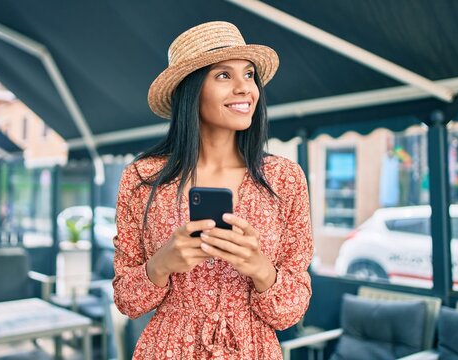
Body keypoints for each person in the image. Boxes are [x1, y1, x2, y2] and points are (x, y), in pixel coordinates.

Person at [113, 21, 313, 359]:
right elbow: (126, 302)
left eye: (249, 75)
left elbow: (291, 313)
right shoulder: (143, 179)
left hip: (253, 350)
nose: (244, 88)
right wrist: (161, 264)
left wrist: (259, 267)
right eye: (223, 76)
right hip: (167, 349)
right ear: (190, 90)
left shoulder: (285, 179)